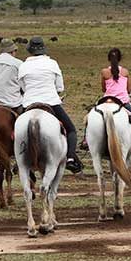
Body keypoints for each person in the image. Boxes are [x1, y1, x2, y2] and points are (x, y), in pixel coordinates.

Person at [17, 36, 83, 173]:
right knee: (71, 130)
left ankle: (18, 160)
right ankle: (70, 157)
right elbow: (60, 87)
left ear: (29, 50)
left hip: (29, 102)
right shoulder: (52, 63)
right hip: (51, 102)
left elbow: (22, 87)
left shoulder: (23, 66)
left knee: (16, 131)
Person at [82, 48, 131, 156]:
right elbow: (128, 90)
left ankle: (85, 139)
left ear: (109, 59)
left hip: (107, 100)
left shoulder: (104, 72)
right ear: (120, 58)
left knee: (88, 118)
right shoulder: (125, 72)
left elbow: (104, 89)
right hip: (122, 101)